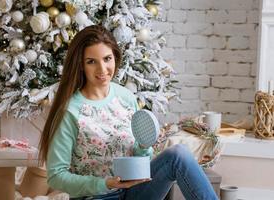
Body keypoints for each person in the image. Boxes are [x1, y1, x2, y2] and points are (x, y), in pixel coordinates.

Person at [39, 25, 218, 200]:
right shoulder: (71, 111)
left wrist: (142, 147)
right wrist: (106, 183)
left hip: (136, 191)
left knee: (178, 155)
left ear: (115, 58)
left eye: (107, 58)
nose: (102, 69)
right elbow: (56, 176)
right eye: (91, 61)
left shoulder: (126, 97)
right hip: (98, 196)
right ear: (80, 65)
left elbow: (143, 160)